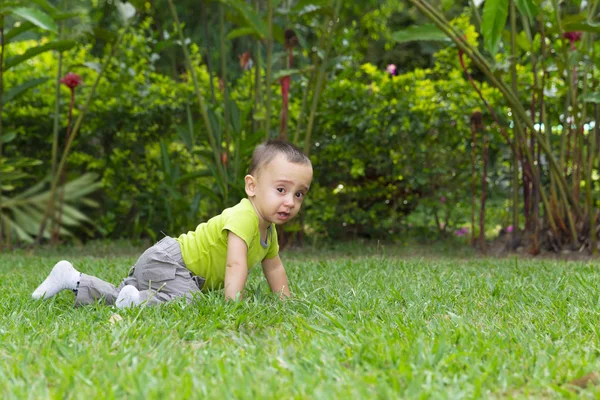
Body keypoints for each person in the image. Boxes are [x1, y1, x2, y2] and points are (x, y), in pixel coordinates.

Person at [32, 140, 313, 308]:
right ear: (251, 186)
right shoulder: (244, 216)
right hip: (170, 263)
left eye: (298, 194)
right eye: (281, 190)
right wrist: (232, 305)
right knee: (190, 303)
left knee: (121, 297)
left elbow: (274, 266)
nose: (290, 201)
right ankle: (140, 301)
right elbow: (235, 264)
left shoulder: (269, 231)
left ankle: (72, 278)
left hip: (167, 265)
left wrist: (286, 301)